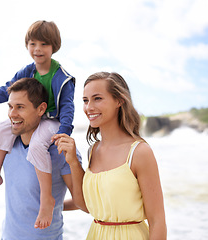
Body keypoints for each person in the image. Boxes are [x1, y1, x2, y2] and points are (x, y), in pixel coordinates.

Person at [0, 20, 75, 229]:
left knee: (37, 145)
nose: (37, 49)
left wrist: (63, 133)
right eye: (32, 44)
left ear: (54, 46)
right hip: (32, 119)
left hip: (51, 121)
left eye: (44, 44)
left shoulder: (62, 78)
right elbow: (7, 90)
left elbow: (68, 107)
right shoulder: (27, 71)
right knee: (0, 130)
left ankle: (46, 199)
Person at [0, 78, 81, 239]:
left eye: (20, 107)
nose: (12, 114)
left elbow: (82, 203)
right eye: (10, 107)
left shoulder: (60, 151)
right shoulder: (6, 145)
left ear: (41, 109)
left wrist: (54, 206)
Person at [52, 72, 167, 239]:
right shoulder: (93, 150)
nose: (89, 107)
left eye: (97, 98)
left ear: (119, 101)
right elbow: (85, 205)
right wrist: (73, 163)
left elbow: (157, 221)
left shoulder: (140, 152)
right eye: (85, 100)